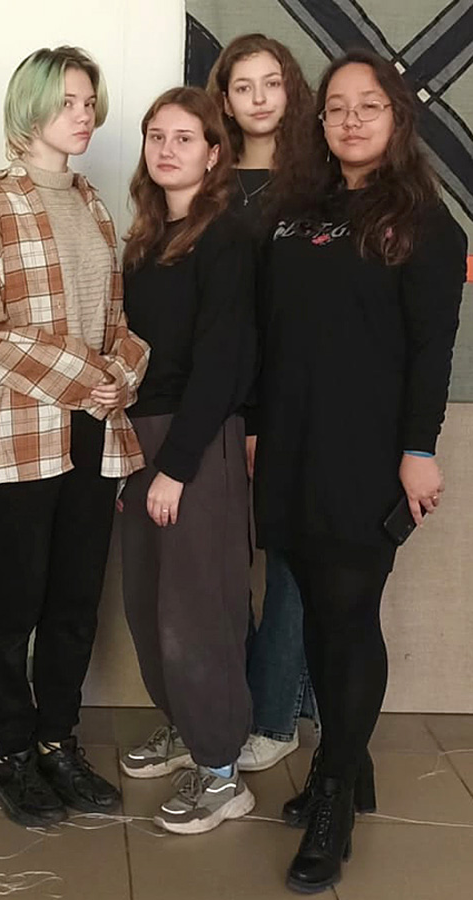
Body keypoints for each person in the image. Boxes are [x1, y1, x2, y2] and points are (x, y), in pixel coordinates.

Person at [256, 49, 466, 893]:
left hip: (368, 454)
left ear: (397, 117)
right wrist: (256, 429)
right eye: (336, 106)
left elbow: (431, 351)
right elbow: (272, 330)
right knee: (315, 608)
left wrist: (419, 451)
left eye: (367, 105)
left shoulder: (425, 223)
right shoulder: (294, 211)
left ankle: (335, 800)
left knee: (348, 616)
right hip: (291, 445)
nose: (349, 119)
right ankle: (349, 762)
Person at [0, 45, 150, 829]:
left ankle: (59, 742)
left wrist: (121, 377)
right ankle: (11, 753)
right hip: (19, 437)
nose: (84, 114)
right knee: (13, 603)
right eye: (69, 101)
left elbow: (120, 322)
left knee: (74, 602)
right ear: (30, 108)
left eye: (89, 102)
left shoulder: (96, 207)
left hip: (95, 432)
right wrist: (87, 373)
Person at [117, 86, 257, 835]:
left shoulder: (227, 239)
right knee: (146, 605)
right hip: (139, 439)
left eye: (184, 137)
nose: (167, 149)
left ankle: (221, 770)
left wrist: (175, 466)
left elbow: (223, 363)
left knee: (197, 611)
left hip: (195, 441)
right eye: (155, 136)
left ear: (213, 153)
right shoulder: (145, 240)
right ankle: (184, 726)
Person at [207, 33, 319, 773]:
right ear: (223, 97)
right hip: (219, 398)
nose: (257, 98)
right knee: (218, 560)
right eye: (242, 85)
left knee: (290, 556)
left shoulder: (317, 182)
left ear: (290, 90)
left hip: (299, 400)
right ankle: (231, 707)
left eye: (270, 83)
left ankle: (275, 715)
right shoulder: (208, 180)